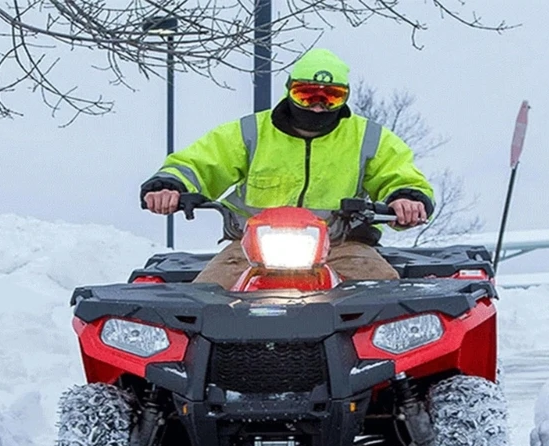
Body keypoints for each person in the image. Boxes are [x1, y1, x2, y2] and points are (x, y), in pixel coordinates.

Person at [141, 47, 434, 288]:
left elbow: (398, 173)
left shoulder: (368, 137)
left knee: (383, 297)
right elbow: (201, 162)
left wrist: (406, 199)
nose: (318, 107)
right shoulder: (251, 132)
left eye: (330, 97)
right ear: (289, 92)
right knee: (205, 298)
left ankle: (374, 356)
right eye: (307, 95)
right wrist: (170, 185)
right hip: (249, 248)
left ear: (345, 98)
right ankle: (208, 358)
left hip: (342, 245)